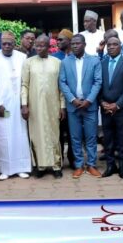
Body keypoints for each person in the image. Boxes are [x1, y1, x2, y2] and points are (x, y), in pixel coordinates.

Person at [0, 31, 32, 180]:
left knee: (20, 135)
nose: (6, 46)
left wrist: (24, 103)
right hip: (2, 106)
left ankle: (22, 168)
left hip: (18, 105)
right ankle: (5, 169)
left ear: (14, 44)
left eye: (9, 44)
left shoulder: (22, 57)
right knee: (3, 136)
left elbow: (26, 82)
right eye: (4, 44)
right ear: (0, 44)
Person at [21, 35, 66, 178]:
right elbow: (24, 85)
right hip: (35, 106)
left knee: (54, 135)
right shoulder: (28, 62)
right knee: (37, 135)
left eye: (42, 46)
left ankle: (56, 165)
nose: (39, 48)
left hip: (53, 105)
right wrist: (24, 104)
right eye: (37, 45)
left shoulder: (57, 62)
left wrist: (62, 106)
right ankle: (40, 166)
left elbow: (61, 86)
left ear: (49, 47)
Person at [59, 34, 103, 178]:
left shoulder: (94, 61)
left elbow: (98, 82)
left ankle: (91, 165)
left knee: (91, 137)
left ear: (84, 44)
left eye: (78, 43)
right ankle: (78, 165)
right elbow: (62, 83)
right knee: (75, 137)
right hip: (73, 106)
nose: (75, 46)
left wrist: (89, 100)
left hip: (89, 106)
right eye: (73, 43)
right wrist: (72, 99)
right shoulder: (65, 62)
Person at [98, 36, 123, 178]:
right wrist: (102, 102)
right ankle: (110, 166)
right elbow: (98, 85)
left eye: (115, 44)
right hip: (105, 108)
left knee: (122, 139)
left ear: (120, 46)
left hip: (121, 109)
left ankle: (122, 167)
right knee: (108, 140)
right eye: (109, 45)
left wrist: (117, 105)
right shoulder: (102, 63)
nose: (111, 47)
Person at [51, 28, 75, 167]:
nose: (57, 41)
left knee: (73, 133)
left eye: (61, 39)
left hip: (73, 102)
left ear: (70, 41)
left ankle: (73, 159)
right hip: (57, 102)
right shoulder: (54, 58)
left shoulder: (75, 56)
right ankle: (58, 160)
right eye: (57, 39)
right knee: (58, 132)